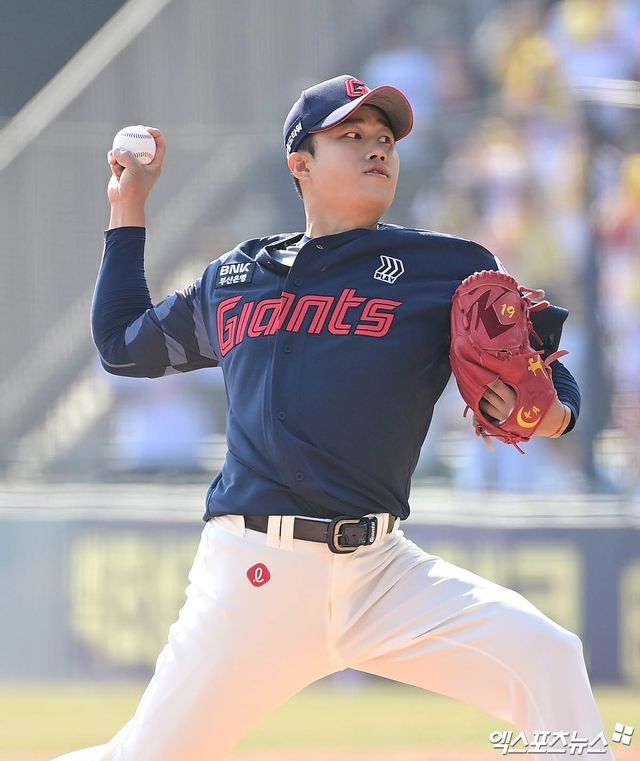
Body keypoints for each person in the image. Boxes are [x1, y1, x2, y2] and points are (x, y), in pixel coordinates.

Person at [55, 75, 613, 761]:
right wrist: (129, 208)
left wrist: (552, 414)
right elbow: (123, 344)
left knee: (548, 656)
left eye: (384, 138)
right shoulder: (237, 276)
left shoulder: (447, 268)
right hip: (256, 576)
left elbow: (551, 378)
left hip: (382, 572)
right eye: (351, 136)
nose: (376, 148)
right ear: (301, 163)